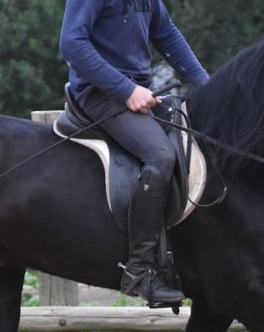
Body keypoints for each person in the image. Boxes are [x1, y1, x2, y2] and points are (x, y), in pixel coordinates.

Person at [59, 0, 209, 306]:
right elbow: (72, 44)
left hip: (139, 91)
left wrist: (209, 86)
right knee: (161, 156)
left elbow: (166, 34)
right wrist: (125, 90)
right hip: (100, 93)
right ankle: (140, 271)